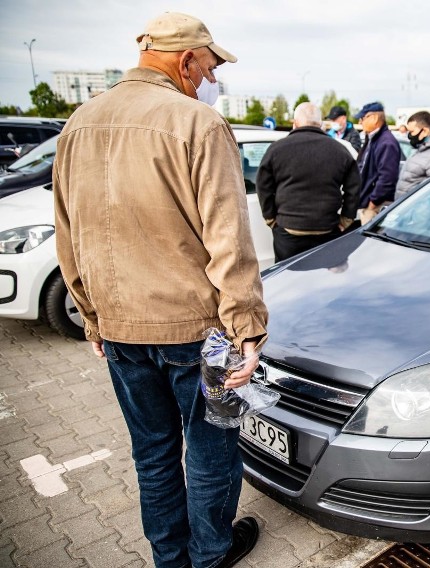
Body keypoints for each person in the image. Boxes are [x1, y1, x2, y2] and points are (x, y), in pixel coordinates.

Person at [52, 12, 267, 568]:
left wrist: (92, 317)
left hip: (122, 330)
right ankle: (211, 554)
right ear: (186, 59)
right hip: (200, 334)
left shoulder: (79, 121)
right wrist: (247, 330)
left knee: (152, 454)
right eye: (211, 65)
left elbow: (68, 234)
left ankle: (170, 559)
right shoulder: (199, 123)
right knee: (214, 449)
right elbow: (229, 240)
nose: (211, 78)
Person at [257, 102, 360, 262]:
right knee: (322, 282)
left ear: (295, 123)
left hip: (288, 232)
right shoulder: (340, 150)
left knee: (288, 280)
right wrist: (346, 219)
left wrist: (271, 218)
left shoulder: (277, 149)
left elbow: (263, 186)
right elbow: (353, 188)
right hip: (328, 229)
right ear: (320, 124)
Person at [354, 101, 401, 225]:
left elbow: (387, 178)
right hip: (368, 203)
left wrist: (372, 203)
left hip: (375, 207)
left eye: (362, 118)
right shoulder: (374, 139)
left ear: (374, 118)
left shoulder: (386, 142)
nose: (360, 122)